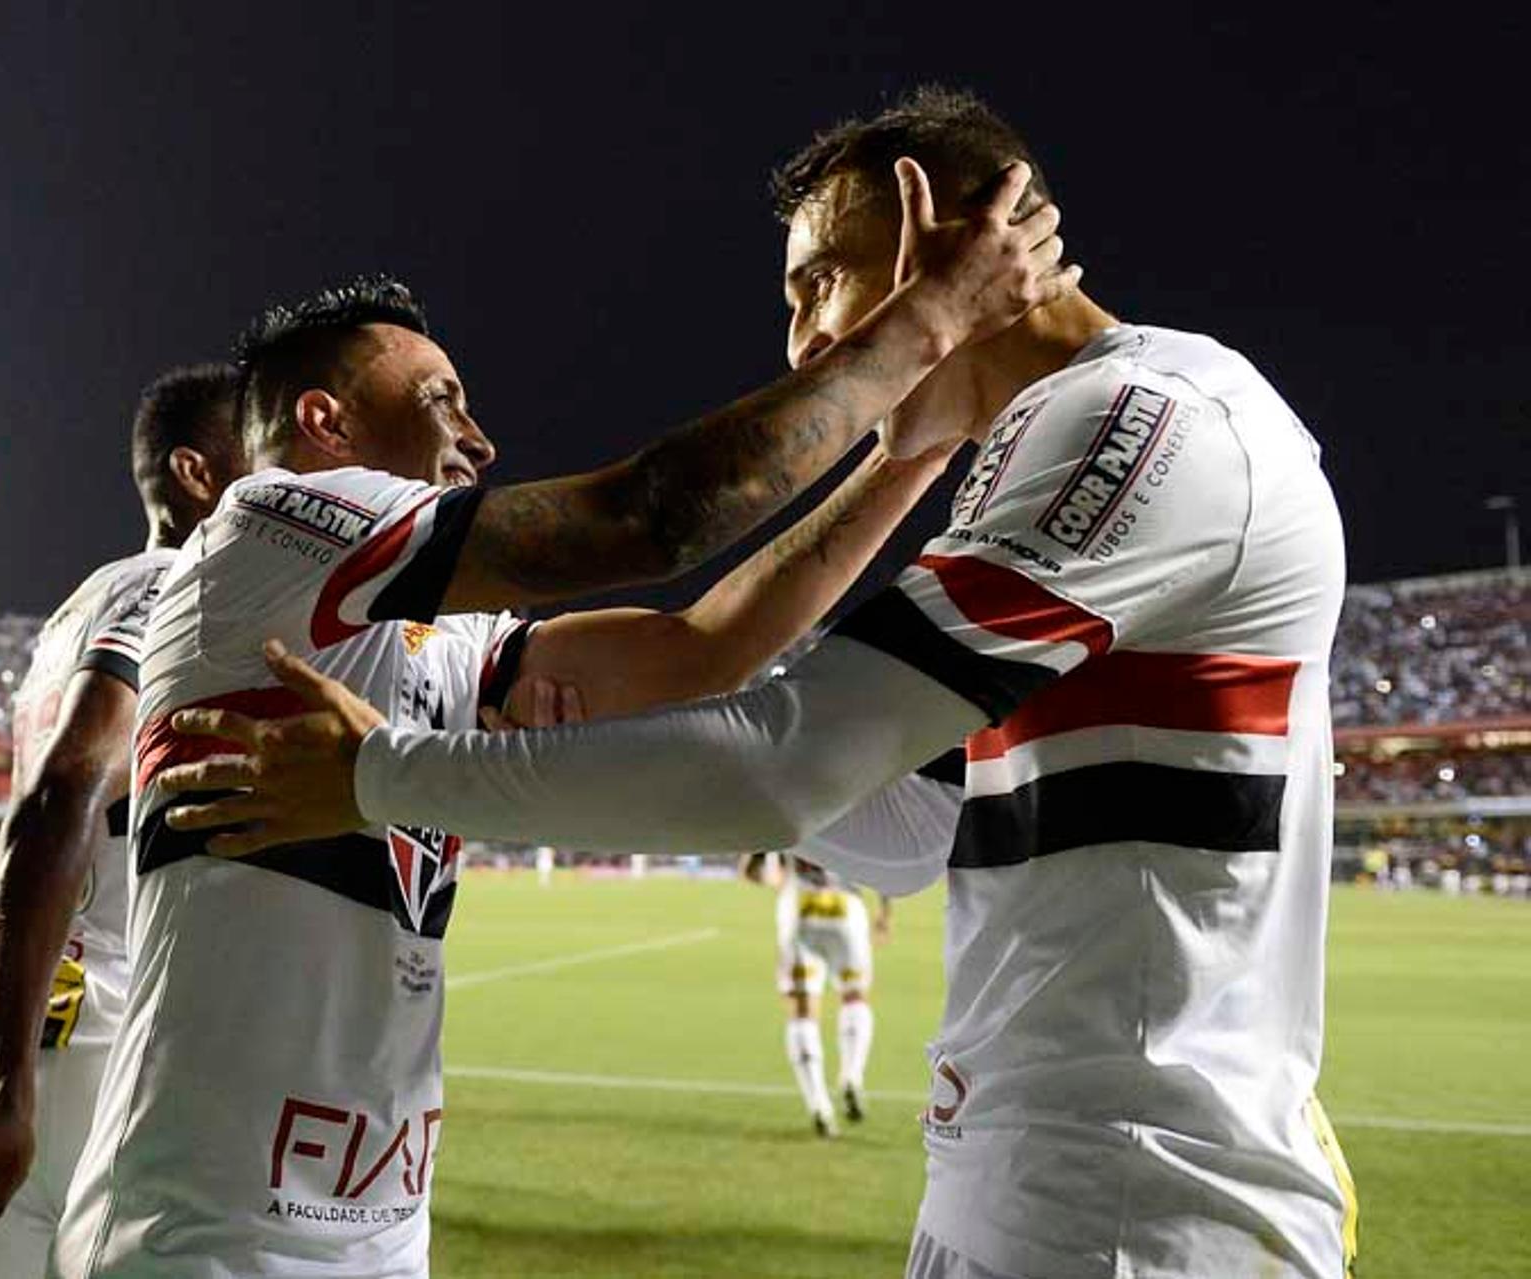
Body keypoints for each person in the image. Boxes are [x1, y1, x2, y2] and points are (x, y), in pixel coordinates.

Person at [169, 88, 1359, 1279]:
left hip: (1140, 1201)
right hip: (1033, 1172)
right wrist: (796, 654)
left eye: (818, 282)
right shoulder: (1036, 453)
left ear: (935, 234)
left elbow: (778, 750)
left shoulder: (1146, 417)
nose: (799, 343)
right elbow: (897, 823)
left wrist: (384, 774)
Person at [55, 185, 1070, 1279]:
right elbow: (651, 519)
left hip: (375, 1231)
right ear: (323, 425)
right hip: (209, 1237)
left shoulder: (436, 636)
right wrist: (928, 324)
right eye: (442, 399)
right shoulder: (266, 526)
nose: (477, 438)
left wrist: (912, 451)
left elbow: (701, 651)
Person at [0, 367, 248, 1274]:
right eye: (261, 455)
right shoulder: (172, 586)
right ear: (196, 475)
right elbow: (62, 792)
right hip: (111, 1046)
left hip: (33, 1036)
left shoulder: (78, 609)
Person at [745, 851, 891, 1136]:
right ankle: (851, 1073)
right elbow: (884, 864)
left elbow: (753, 866)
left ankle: (819, 1106)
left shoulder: (788, 809)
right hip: (846, 907)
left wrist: (774, 880)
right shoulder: (851, 807)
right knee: (854, 996)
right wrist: (884, 913)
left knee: (802, 1010)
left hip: (800, 907)